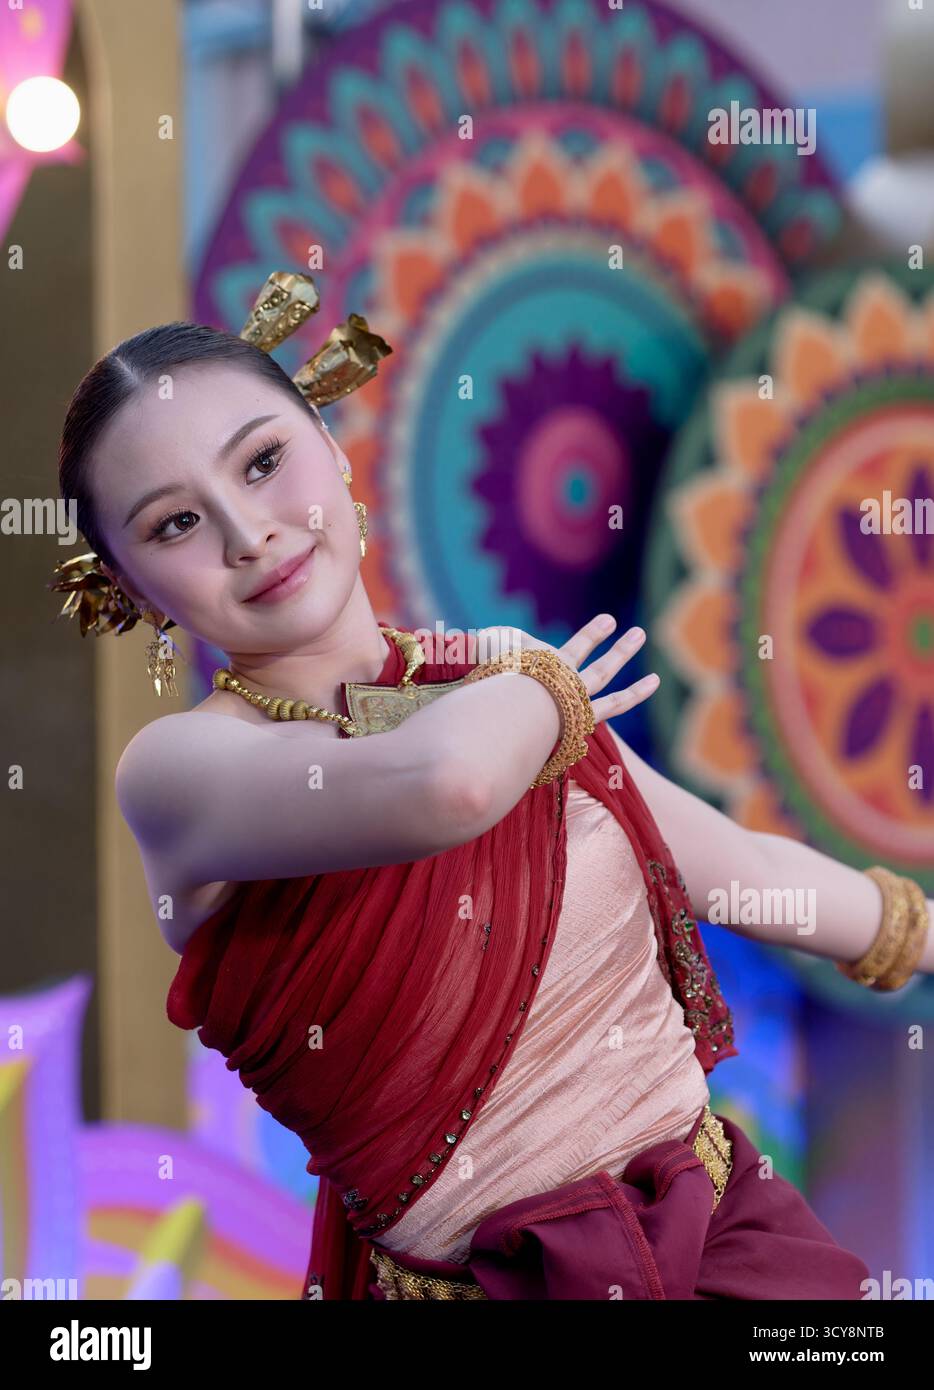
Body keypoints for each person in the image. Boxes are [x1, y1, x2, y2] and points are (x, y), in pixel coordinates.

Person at [50, 271, 931, 1301]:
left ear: (332, 446)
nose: (249, 533)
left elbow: (733, 870)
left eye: (263, 460)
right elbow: (450, 784)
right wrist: (536, 675)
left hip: (727, 1245)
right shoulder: (178, 771)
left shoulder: (503, 689)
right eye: (172, 526)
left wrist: (910, 930)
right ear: (135, 592)